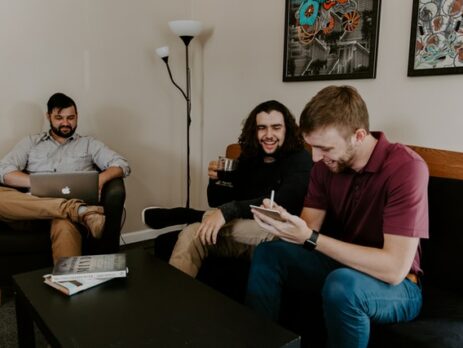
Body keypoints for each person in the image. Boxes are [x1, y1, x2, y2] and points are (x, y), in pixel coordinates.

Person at [246, 86, 429, 348]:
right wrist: (284, 222)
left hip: (400, 287)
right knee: (269, 253)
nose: (317, 158)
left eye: (325, 148)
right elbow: (307, 228)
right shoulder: (323, 168)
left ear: (359, 136)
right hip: (342, 267)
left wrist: (309, 237)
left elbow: (393, 269)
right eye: (313, 147)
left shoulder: (406, 168)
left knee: (342, 284)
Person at [144, 100, 312, 277]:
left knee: (199, 227)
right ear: (254, 131)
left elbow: (284, 201)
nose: (268, 134)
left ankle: (186, 214)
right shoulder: (250, 157)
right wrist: (216, 180)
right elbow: (218, 202)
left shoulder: (300, 159)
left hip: (276, 233)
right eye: (262, 128)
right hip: (244, 231)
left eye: (276, 127)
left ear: (287, 129)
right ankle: (177, 300)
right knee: (192, 233)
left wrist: (227, 211)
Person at [0, 92, 131, 263]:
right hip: (32, 212)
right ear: (48, 117)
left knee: (63, 225)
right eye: (59, 117)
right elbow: (3, 169)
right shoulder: (31, 142)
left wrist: (101, 178)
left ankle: (68, 284)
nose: (65, 123)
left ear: (77, 117)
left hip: (65, 219)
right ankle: (75, 209)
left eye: (70, 117)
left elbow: (122, 164)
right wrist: (34, 182)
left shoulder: (89, 144)